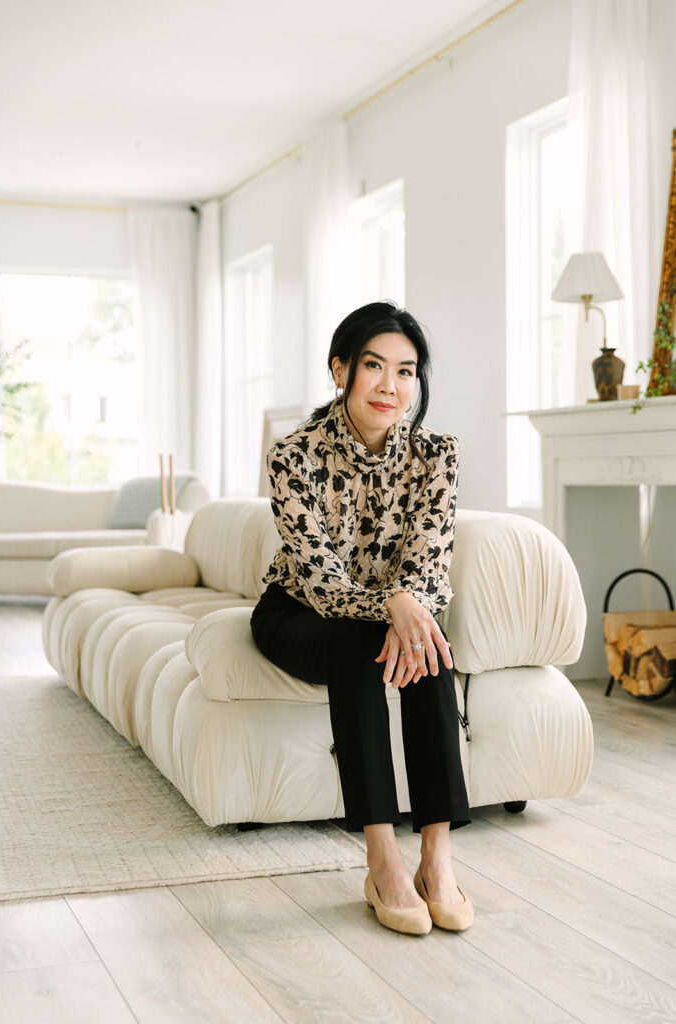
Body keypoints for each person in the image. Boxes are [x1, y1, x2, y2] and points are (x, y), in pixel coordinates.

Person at [250, 301, 473, 936]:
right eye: (374, 366)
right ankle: (382, 859)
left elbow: (431, 560)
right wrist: (391, 605)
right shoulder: (294, 456)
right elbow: (318, 576)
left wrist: (409, 609)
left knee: (428, 643)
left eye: (406, 371)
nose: (390, 386)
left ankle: (437, 856)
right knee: (362, 642)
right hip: (299, 613)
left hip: (396, 615)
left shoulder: (438, 456)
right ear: (340, 368)